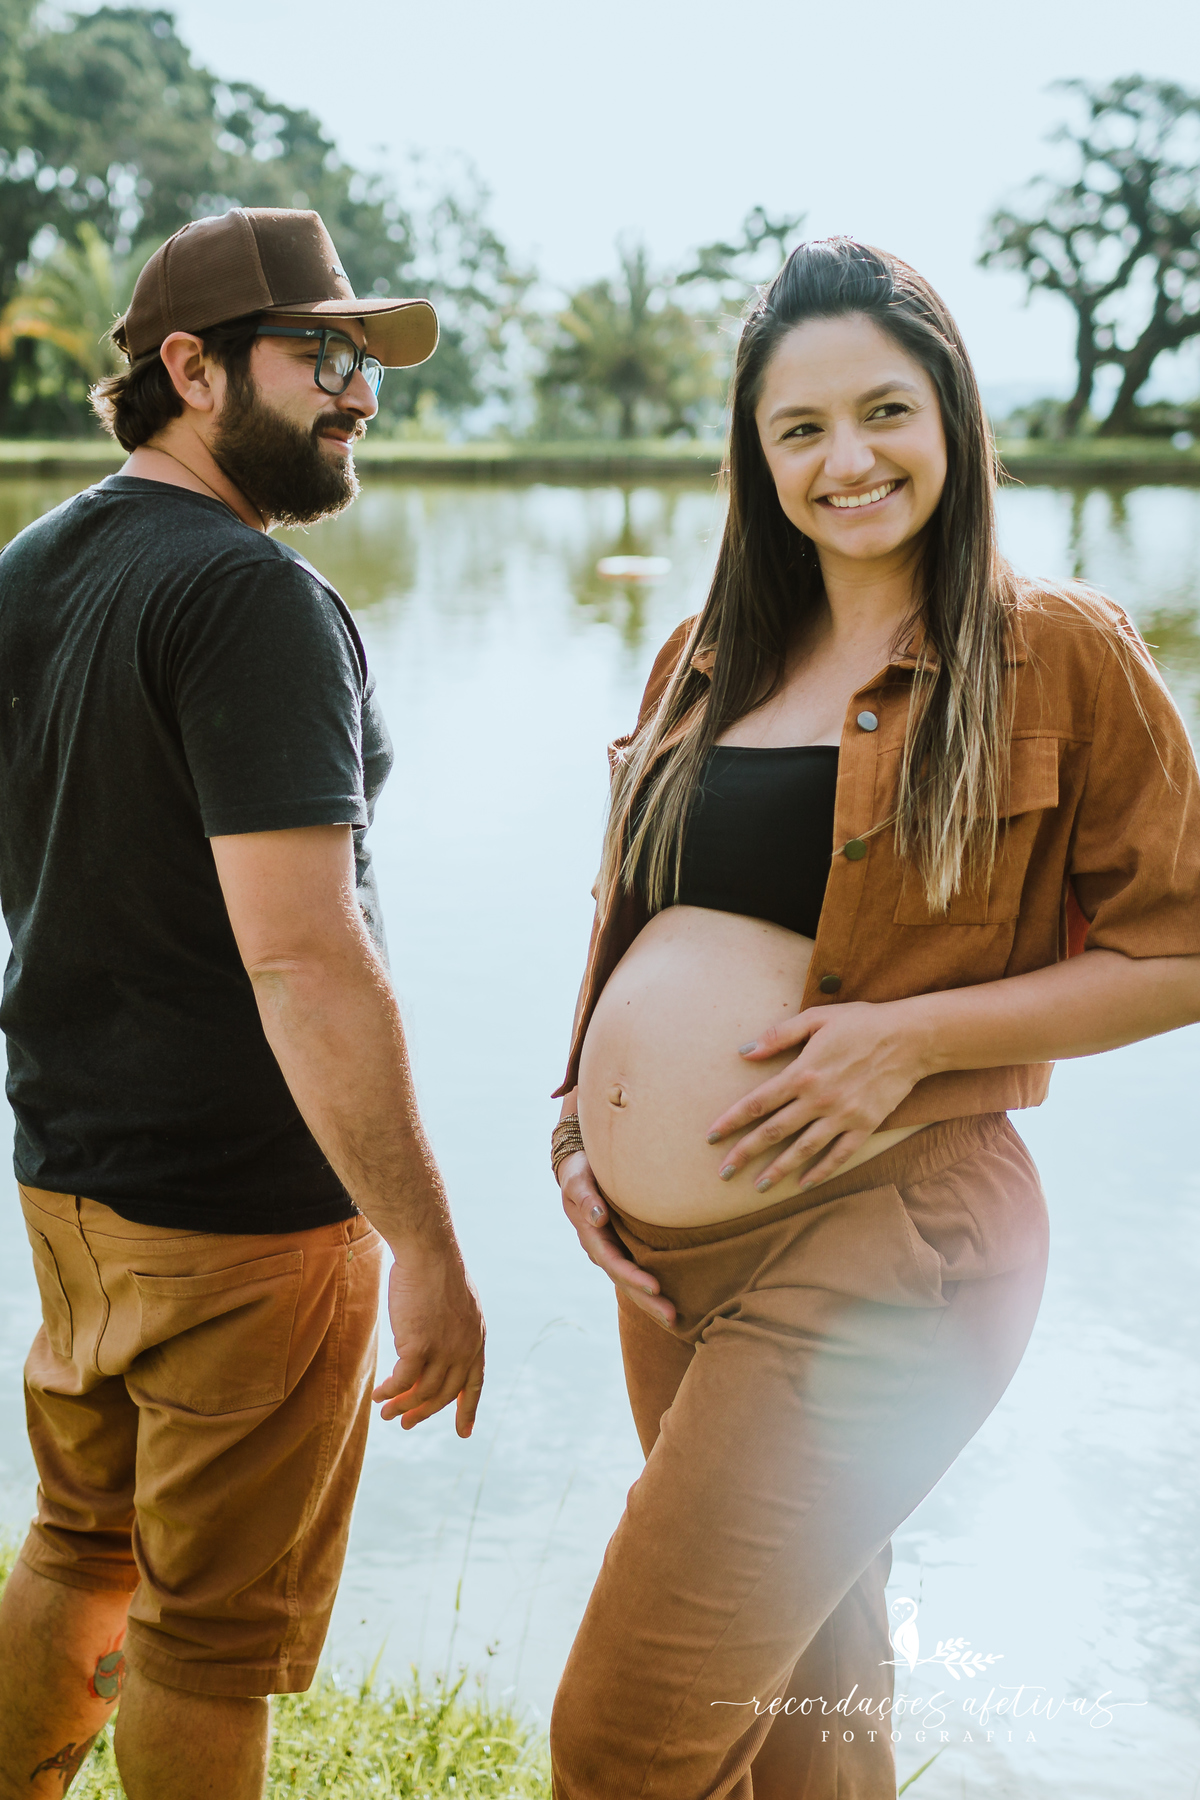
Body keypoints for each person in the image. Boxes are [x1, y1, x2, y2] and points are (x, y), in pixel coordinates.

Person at [549, 237, 1200, 1799]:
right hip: (669, 1271)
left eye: (885, 411)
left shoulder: (1059, 653)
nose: (847, 459)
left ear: (953, 416)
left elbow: (1184, 945)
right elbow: (632, 914)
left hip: (884, 1249)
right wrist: (580, 1123)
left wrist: (912, 1040)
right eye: (802, 428)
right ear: (757, 456)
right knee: (797, 1712)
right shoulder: (701, 657)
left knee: (624, 1742)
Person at [0, 207, 485, 1800]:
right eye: (319, 356)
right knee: (210, 1637)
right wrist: (426, 1246)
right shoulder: (253, 600)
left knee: (83, 1544)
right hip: (246, 1220)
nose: (360, 392)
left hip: (75, 1184)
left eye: (365, 361)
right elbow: (307, 957)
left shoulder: (32, 571)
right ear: (192, 369)